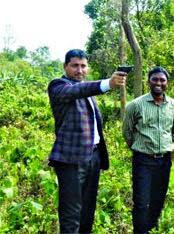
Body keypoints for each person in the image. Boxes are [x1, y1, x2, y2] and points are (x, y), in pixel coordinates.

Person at [48, 49, 127, 233]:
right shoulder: (59, 86)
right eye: (75, 65)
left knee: (87, 211)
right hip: (70, 160)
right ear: (65, 66)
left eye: (83, 66)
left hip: (92, 157)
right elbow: (78, 90)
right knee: (71, 213)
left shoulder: (87, 92)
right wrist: (107, 83)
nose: (80, 70)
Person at [122, 66, 174, 233]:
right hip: (143, 160)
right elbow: (127, 131)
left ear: (167, 83)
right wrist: (139, 147)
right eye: (155, 79)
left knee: (158, 200)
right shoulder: (135, 105)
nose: (158, 83)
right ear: (148, 82)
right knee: (141, 202)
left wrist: (164, 147)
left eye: (162, 80)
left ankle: (152, 229)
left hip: (164, 160)